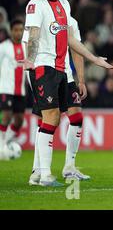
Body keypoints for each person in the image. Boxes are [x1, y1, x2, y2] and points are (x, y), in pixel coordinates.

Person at [22, 0, 113, 187]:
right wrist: (30, 59)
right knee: (51, 117)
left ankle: (42, 173)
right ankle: (43, 175)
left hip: (62, 70)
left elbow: (72, 40)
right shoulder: (36, 4)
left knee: (60, 117)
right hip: (43, 66)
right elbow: (33, 34)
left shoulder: (64, 4)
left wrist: (94, 59)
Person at [23, 15, 91, 184]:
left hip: (65, 76)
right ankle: (37, 171)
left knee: (76, 117)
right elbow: (28, 42)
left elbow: (76, 49)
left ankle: (69, 167)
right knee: (47, 120)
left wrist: (81, 79)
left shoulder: (71, 22)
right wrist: (31, 76)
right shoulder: (40, 14)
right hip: (45, 74)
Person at [0, 18, 26, 160]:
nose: (18, 33)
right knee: (7, 115)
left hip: (20, 90)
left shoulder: (26, 47)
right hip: (6, 88)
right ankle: (1, 145)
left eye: (21, 30)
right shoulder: (3, 47)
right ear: (11, 31)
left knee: (19, 120)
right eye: (16, 30)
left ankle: (5, 141)